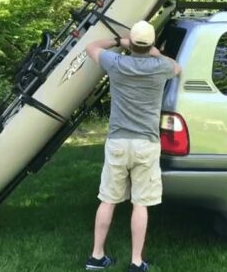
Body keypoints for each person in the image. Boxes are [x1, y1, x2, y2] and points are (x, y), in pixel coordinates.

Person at [84, 20, 181, 272]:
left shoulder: (116, 63)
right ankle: (136, 262)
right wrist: (153, 51)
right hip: (146, 143)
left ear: (131, 43)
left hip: (117, 141)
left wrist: (118, 41)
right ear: (150, 44)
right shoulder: (160, 67)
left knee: (107, 199)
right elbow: (177, 67)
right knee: (140, 203)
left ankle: (96, 257)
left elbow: (90, 47)